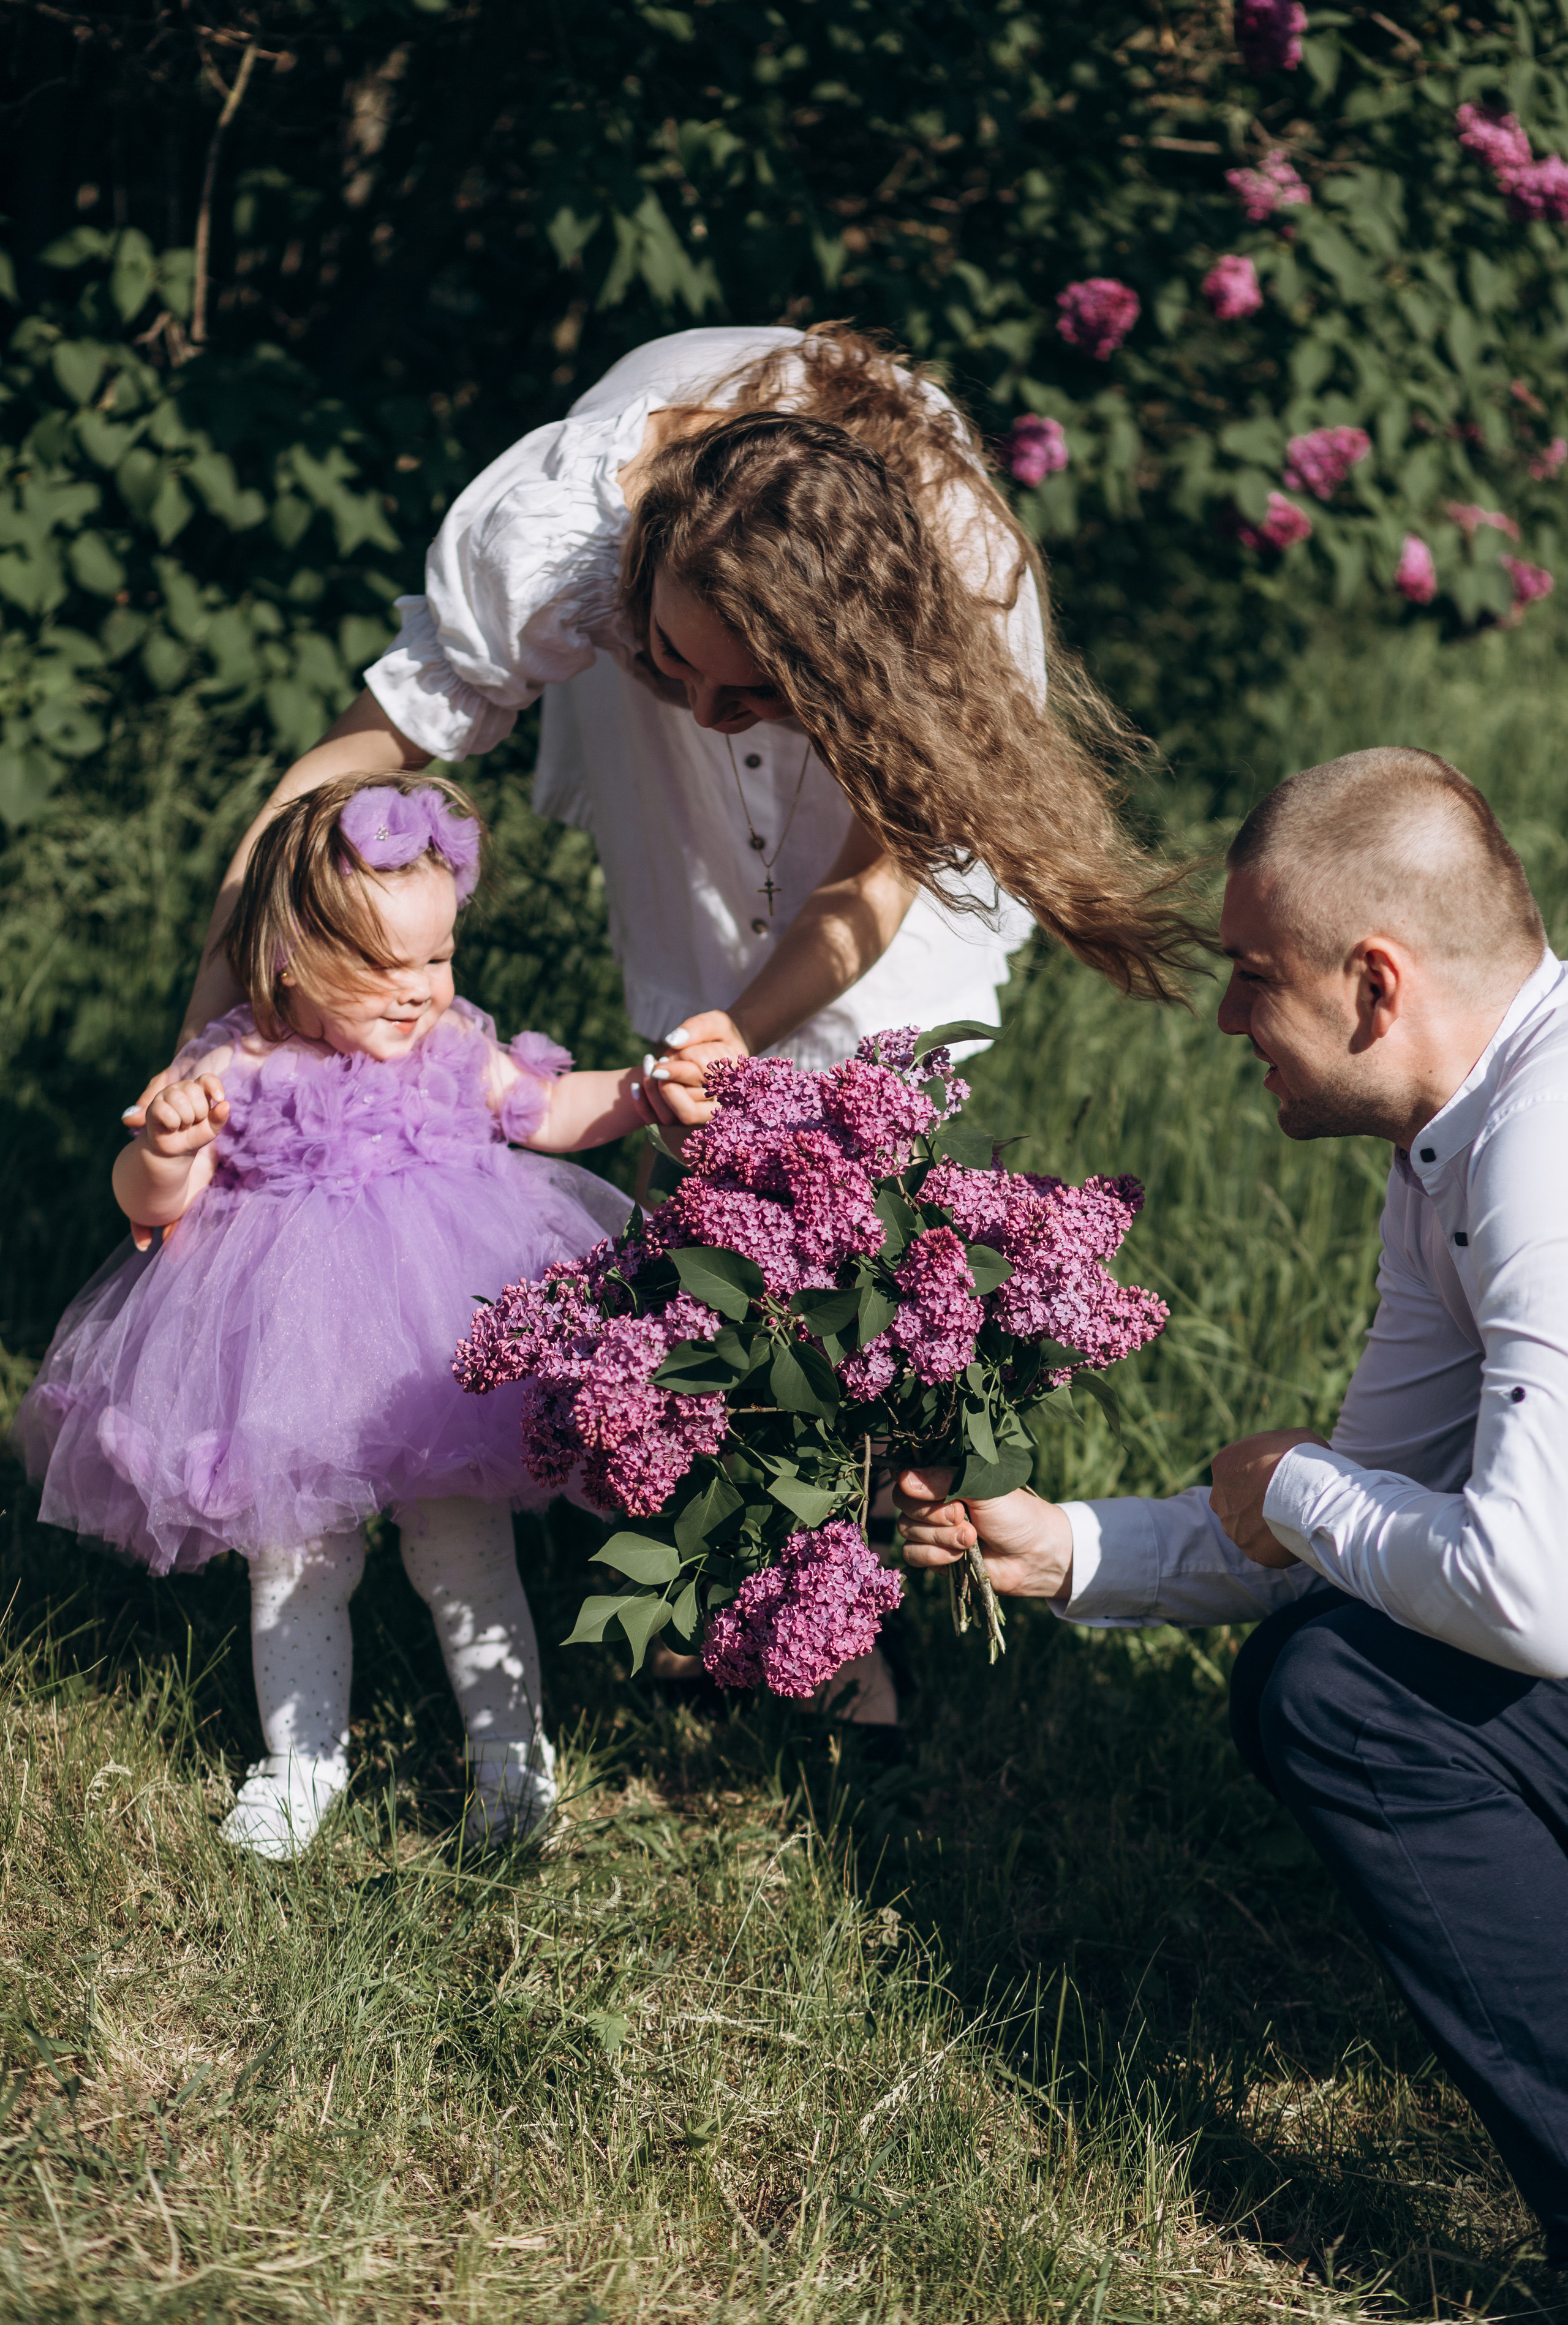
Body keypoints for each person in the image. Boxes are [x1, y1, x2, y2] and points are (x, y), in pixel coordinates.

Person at [152, 320, 1198, 1728]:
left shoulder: (948, 580)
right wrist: (212, 1024)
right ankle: (704, 1547)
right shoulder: (568, 542)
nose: (709, 713)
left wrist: (747, 1018)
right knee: (699, 1078)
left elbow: (874, 874)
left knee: (866, 1100)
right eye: (675, 665)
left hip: (861, 702)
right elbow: (352, 758)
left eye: (746, 694)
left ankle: (825, 1574)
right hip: (695, 592)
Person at [896, 747, 1568, 2260]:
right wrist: (1067, 1545)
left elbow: (1526, 1592)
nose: (1221, 1017)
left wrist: (1300, 1488)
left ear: (1372, 986)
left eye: (1253, 976)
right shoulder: (1458, 1139)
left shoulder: (1541, 1155)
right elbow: (1370, 1519)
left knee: (1341, 1697)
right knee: (1327, 1658)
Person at [15, 773, 655, 1862]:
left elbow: (554, 1113)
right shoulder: (235, 1065)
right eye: (380, 964)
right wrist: (165, 1154)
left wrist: (645, 1089)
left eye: (438, 956)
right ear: (285, 958)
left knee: (463, 1547)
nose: (419, 989)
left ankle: (511, 1759)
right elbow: (147, 1210)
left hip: (446, 1348)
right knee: (300, 1560)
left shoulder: (454, 1045)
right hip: (290, 1355)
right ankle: (302, 1760)